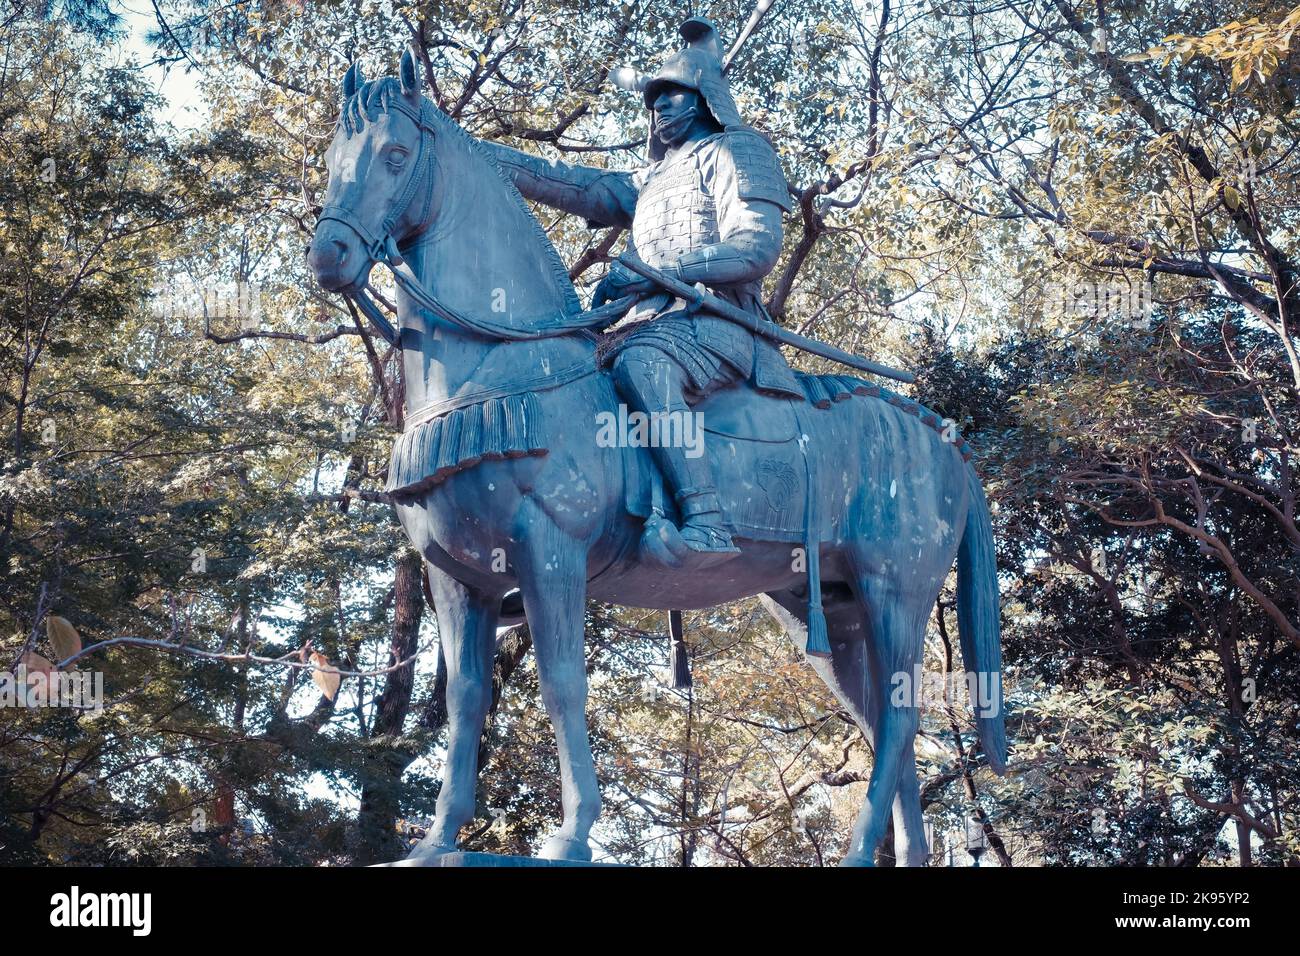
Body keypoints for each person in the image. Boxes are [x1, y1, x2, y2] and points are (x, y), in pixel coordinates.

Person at [482, 17, 800, 567]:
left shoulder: (736, 152)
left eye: (672, 94)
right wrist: (480, 154)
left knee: (643, 367)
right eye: (652, 100)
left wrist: (655, 271)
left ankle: (706, 519)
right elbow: (573, 183)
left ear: (704, 97)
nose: (659, 108)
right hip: (639, 324)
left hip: (717, 322)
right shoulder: (647, 181)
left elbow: (755, 249)